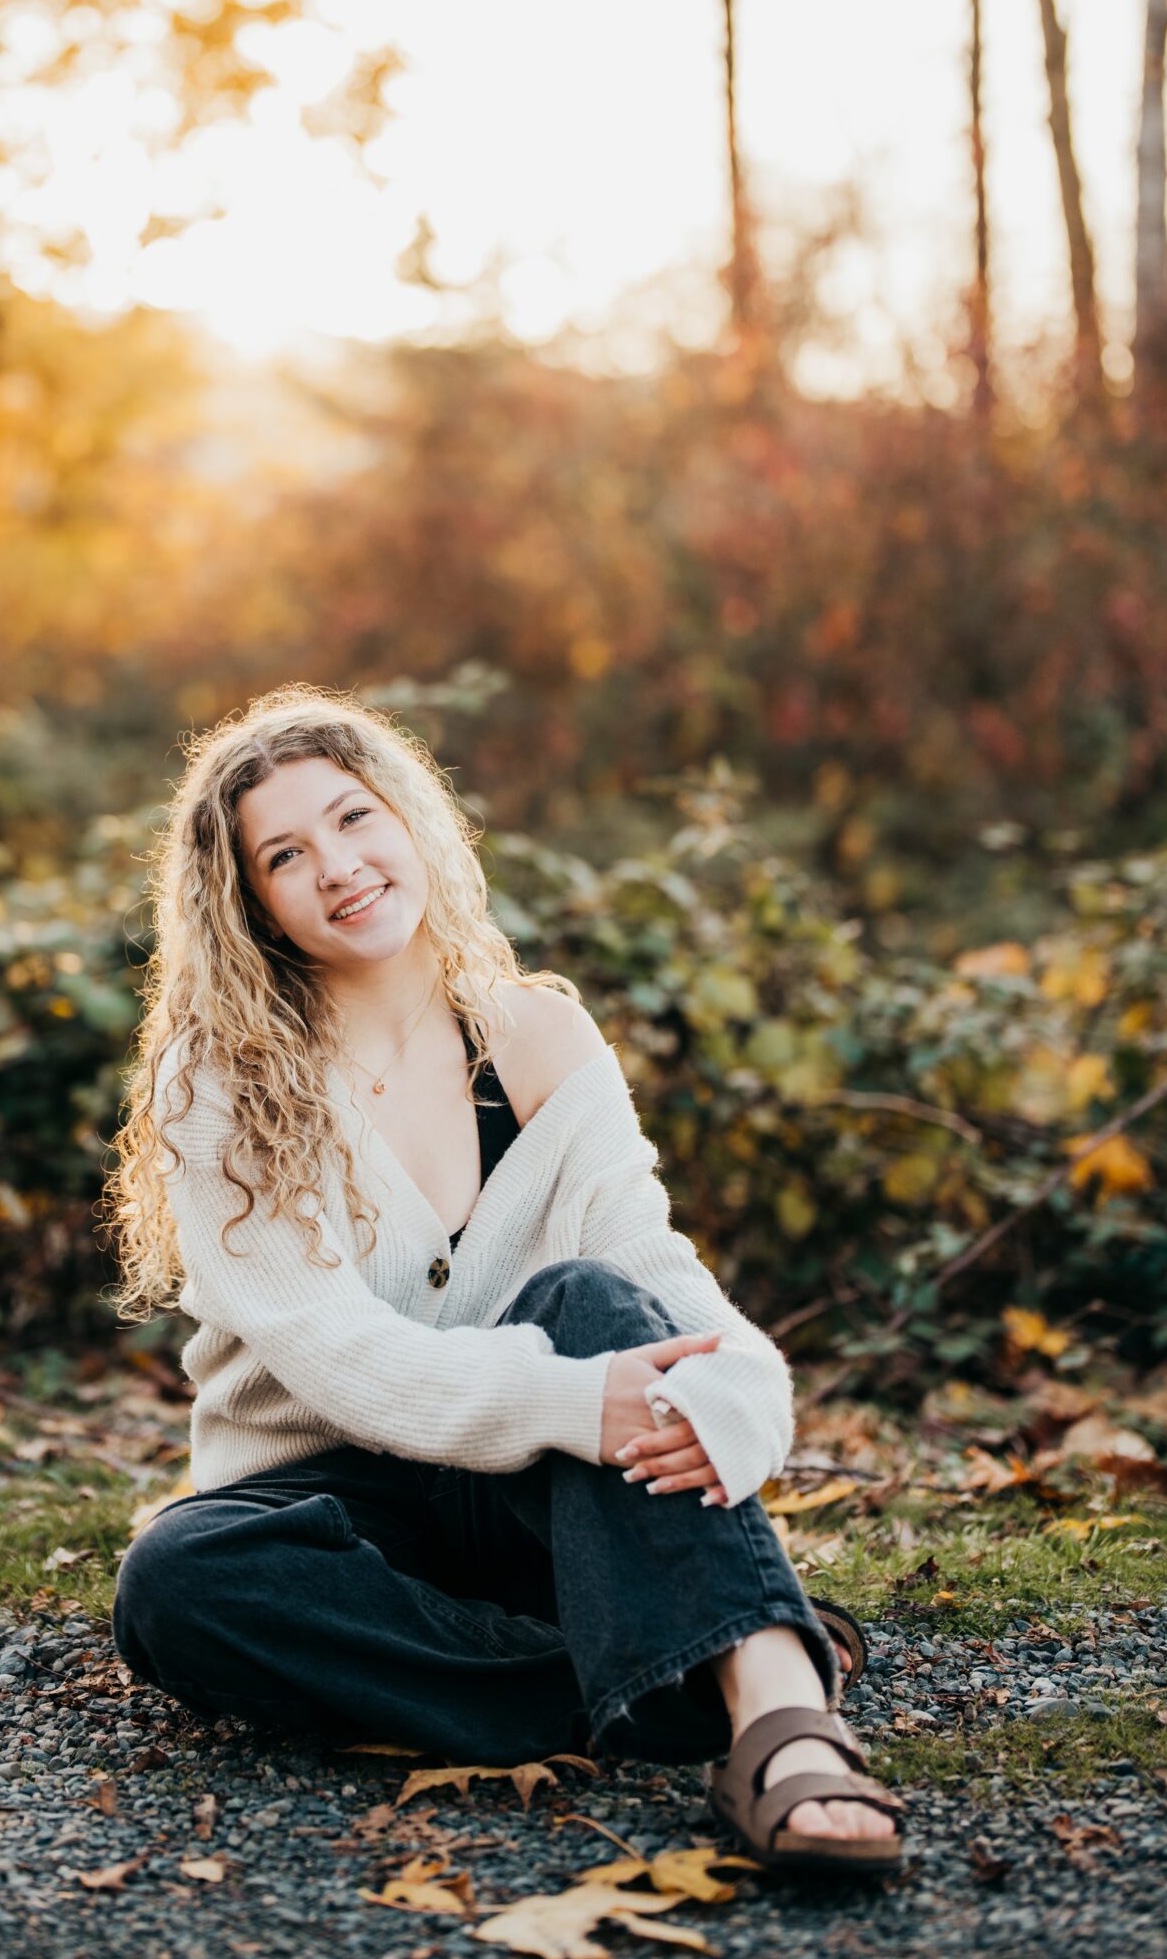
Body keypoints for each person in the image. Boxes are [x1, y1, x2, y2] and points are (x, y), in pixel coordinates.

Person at [102, 686, 905, 1875]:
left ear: (412, 819)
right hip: (330, 1510)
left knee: (590, 1301)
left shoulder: (539, 1040)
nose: (339, 867)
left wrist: (746, 1388)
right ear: (251, 902)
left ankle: (787, 1721)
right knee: (175, 1582)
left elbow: (649, 1267)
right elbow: (341, 1356)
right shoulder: (220, 1083)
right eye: (286, 854)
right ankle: (671, 1678)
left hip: (534, 1496)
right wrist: (583, 1404)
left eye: (354, 818)